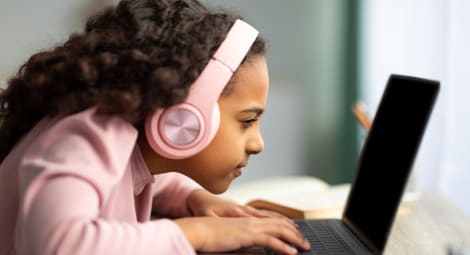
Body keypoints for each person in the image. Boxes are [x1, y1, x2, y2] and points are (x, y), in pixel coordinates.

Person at [0, 0, 311, 254]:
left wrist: (192, 199)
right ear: (185, 117)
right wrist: (196, 233)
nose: (258, 143)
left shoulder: (120, 141)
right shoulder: (82, 137)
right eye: (247, 121)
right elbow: (58, 245)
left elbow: (133, 177)